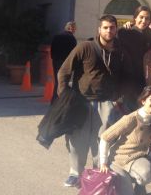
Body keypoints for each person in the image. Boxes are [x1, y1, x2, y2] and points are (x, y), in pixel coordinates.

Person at [57, 14, 132, 188]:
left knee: (104, 139)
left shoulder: (120, 52)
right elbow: (64, 71)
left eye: (112, 27)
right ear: (99, 29)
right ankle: (75, 173)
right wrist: (64, 96)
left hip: (107, 102)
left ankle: (100, 171)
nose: (109, 30)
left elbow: (127, 77)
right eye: (105, 27)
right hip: (81, 101)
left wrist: (119, 98)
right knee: (78, 139)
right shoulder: (85, 47)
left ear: (116, 29)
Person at [99, 85, 151, 195]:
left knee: (148, 174)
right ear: (143, 101)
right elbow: (105, 137)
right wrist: (103, 163)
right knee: (127, 192)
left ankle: (138, 184)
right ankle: (127, 181)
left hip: (137, 158)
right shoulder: (131, 119)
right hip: (118, 160)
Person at [118, 6, 151, 108]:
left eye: (147, 18)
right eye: (141, 17)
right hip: (127, 83)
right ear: (135, 17)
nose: (144, 21)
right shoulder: (124, 33)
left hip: (144, 82)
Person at [50, 21, 77, 103]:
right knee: (64, 81)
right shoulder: (72, 39)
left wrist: (54, 58)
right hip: (66, 63)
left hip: (56, 61)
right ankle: (61, 100)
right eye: (74, 28)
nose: (75, 30)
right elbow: (73, 53)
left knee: (57, 81)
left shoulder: (57, 36)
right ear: (72, 29)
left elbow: (52, 49)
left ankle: (54, 99)